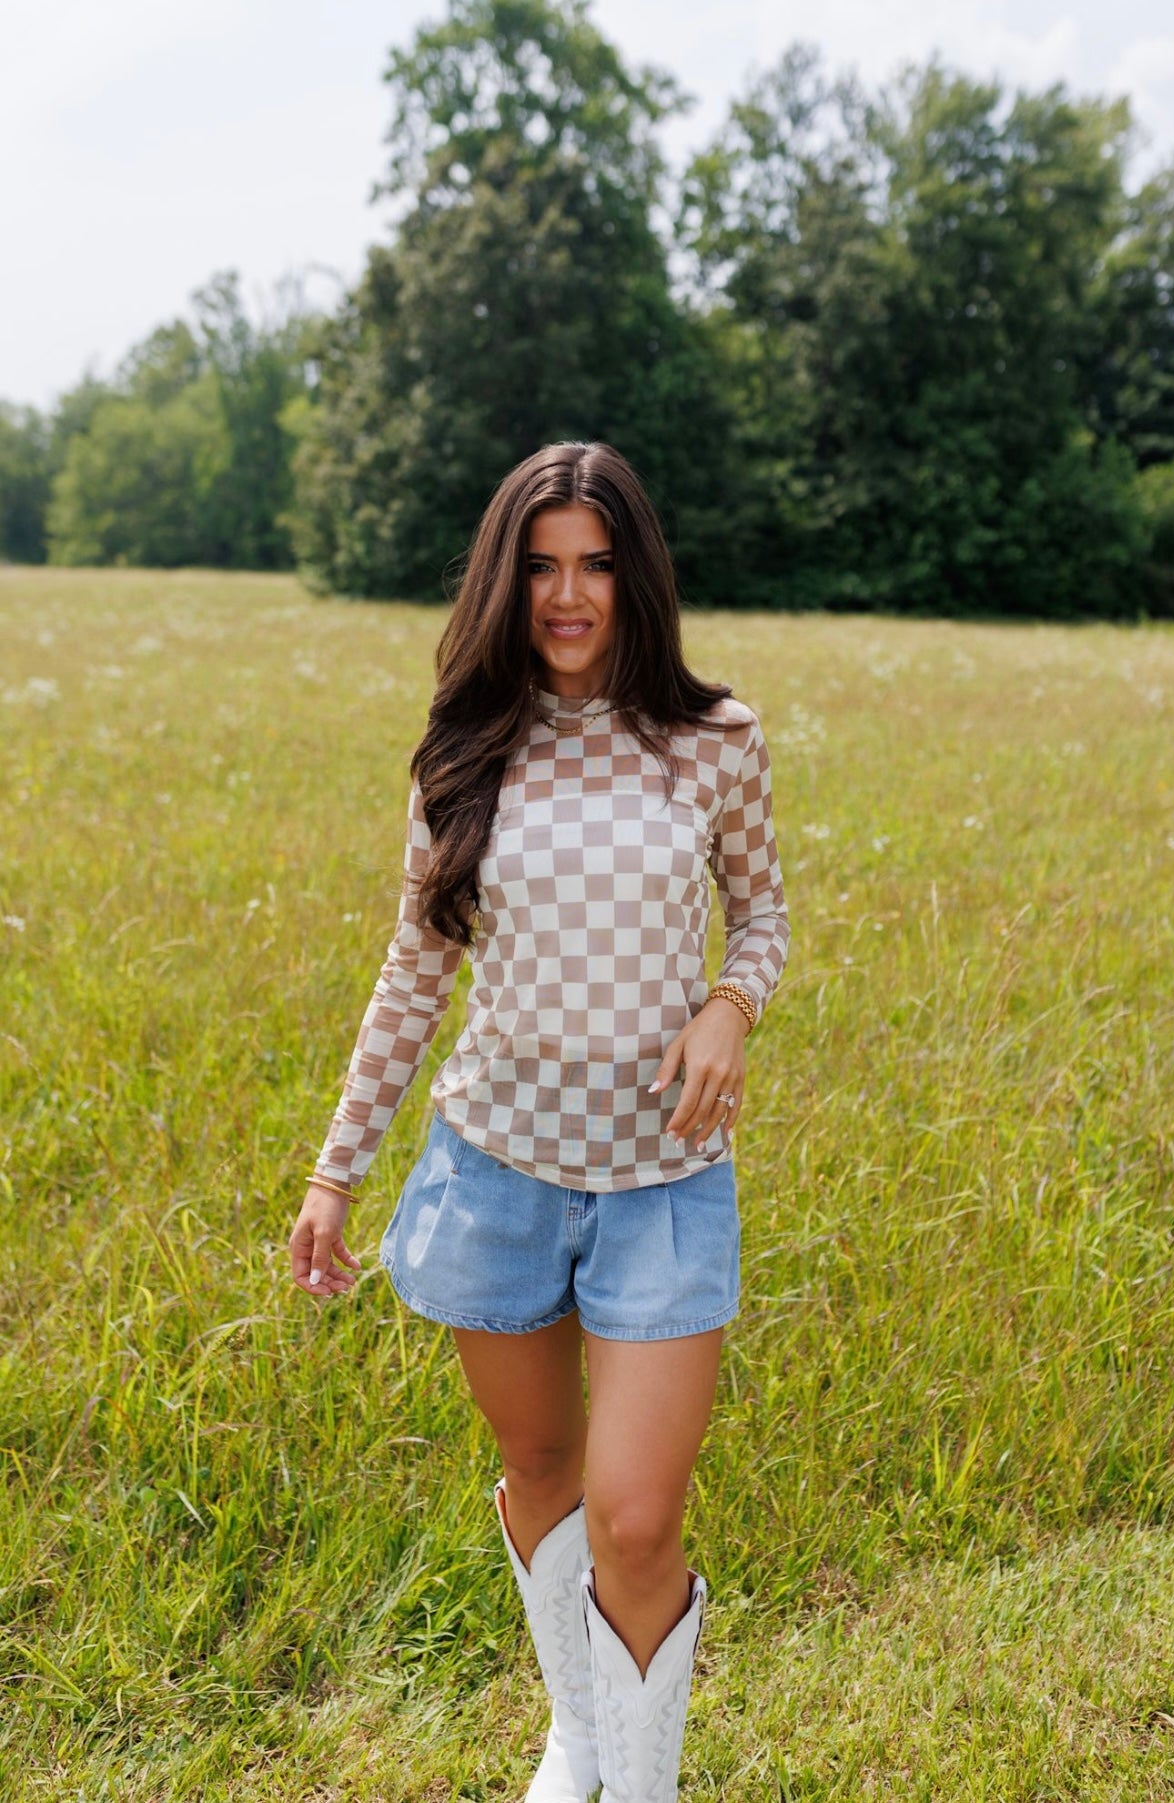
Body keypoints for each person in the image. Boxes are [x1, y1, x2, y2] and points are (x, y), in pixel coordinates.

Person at [288, 441, 791, 1802]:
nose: (568, 596)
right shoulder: (464, 754)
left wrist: (728, 1010)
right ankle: (579, 1730)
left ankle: (643, 1789)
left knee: (635, 1517)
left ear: (637, 581)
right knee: (540, 1471)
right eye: (541, 568)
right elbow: (414, 969)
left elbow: (762, 917)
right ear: (504, 584)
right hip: (495, 1173)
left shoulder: (712, 740)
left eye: (596, 566)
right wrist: (337, 1169)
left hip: (663, 1183)